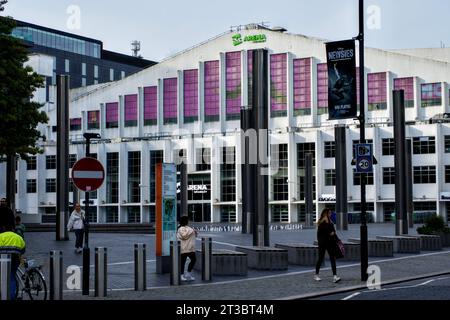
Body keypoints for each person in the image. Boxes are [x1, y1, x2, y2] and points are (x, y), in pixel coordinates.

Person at [314, 208, 341, 283]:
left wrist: (337, 239)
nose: (330, 214)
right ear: (325, 214)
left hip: (330, 243)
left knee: (332, 259)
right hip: (323, 243)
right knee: (320, 258)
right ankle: (316, 275)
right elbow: (328, 232)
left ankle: (335, 276)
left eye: (330, 213)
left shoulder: (330, 222)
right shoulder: (321, 223)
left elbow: (333, 232)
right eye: (329, 213)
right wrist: (331, 232)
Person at [0, 224, 26, 300]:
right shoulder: (18, 237)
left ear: (4, 228)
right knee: (11, 277)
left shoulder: (0, 236)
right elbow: (23, 250)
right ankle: (11, 296)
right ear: (13, 229)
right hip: (15, 260)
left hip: (2, 260)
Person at [177, 216, 198, 282]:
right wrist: (191, 230)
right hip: (184, 248)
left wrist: (195, 232)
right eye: (187, 220)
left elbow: (193, 235)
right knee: (182, 262)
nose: (188, 221)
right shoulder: (181, 228)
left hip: (191, 248)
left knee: (194, 260)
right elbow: (184, 236)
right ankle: (181, 275)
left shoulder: (188, 228)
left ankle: (188, 273)